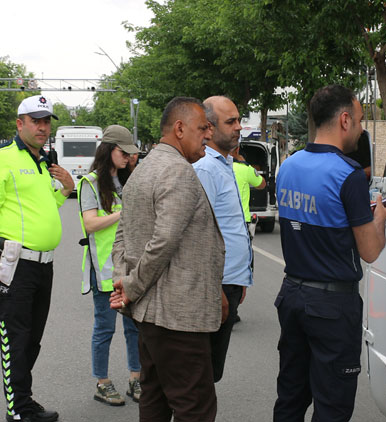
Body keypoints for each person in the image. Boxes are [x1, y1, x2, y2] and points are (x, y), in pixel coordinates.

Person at [273, 85, 386, 421]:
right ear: (344, 120)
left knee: (290, 396)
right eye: (359, 120)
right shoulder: (349, 175)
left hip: (292, 295)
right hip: (331, 306)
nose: (360, 128)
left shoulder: (288, 166)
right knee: (332, 405)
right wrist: (380, 220)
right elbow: (370, 250)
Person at [108, 96, 226, 421]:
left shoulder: (143, 171)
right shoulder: (178, 172)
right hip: (177, 319)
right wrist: (129, 286)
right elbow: (163, 242)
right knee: (195, 407)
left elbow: (122, 235)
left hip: (152, 317)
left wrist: (123, 280)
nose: (208, 134)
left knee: (155, 400)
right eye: (202, 127)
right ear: (179, 128)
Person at [0, 95, 74, 422]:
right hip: (13, 263)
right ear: (20, 124)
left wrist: (66, 189)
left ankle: (24, 400)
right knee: (15, 339)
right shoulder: (1, 158)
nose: (43, 127)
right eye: (36, 121)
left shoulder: (42, 161)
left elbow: (45, 208)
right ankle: (17, 410)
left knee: (32, 340)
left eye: (47, 121)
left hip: (43, 265)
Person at [77, 125, 141, 406]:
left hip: (130, 269)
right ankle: (102, 383)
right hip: (104, 271)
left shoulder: (131, 181)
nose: (127, 157)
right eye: (123, 152)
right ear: (108, 150)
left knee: (134, 328)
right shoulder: (89, 183)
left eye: (130, 153)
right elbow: (90, 224)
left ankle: (136, 379)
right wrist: (121, 214)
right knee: (105, 329)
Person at [193, 96, 254, 382]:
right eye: (231, 122)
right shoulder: (206, 168)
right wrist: (216, 290)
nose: (239, 127)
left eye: (238, 120)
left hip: (228, 282)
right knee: (201, 377)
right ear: (208, 127)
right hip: (213, 288)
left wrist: (238, 279)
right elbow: (196, 235)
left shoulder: (225, 164)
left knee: (210, 373)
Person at [231, 144, 266, 238]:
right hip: (241, 219)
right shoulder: (245, 169)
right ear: (237, 150)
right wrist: (245, 164)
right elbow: (262, 184)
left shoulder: (214, 166)